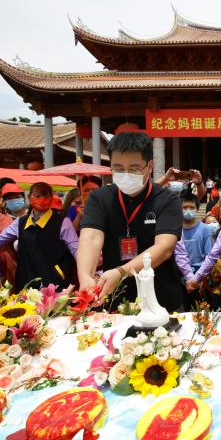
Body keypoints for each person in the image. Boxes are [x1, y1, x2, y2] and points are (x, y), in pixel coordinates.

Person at [78, 131, 184, 310]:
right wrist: (85, 276)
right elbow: (91, 238)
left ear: (150, 166)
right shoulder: (99, 198)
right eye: (118, 168)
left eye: (134, 168)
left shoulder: (167, 200)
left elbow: (164, 248)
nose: (125, 174)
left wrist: (121, 272)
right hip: (114, 300)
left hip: (161, 299)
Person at [0, 182, 78, 290]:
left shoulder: (63, 222)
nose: (42, 199)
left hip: (54, 284)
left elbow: (76, 250)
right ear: (29, 197)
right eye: (37, 195)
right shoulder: (20, 222)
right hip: (25, 283)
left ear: (51, 198)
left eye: (46, 196)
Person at [180, 192, 214, 275]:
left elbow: (209, 255)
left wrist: (202, 275)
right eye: (184, 207)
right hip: (179, 270)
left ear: (197, 209)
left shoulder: (205, 229)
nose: (188, 210)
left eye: (192, 207)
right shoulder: (175, 229)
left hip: (199, 271)